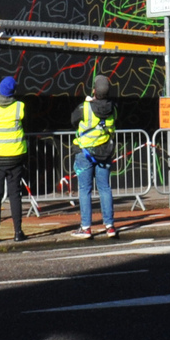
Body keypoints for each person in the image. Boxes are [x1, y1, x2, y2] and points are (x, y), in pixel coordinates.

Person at [71, 74, 119, 238]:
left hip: (85, 153)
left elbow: (73, 120)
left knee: (85, 190)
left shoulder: (85, 107)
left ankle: (86, 228)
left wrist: (88, 102)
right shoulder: (113, 109)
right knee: (105, 188)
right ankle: (110, 226)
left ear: (94, 91)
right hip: (104, 153)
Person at [0, 76, 28, 245]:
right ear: (13, 91)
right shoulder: (19, 107)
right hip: (15, 156)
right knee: (15, 194)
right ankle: (18, 232)